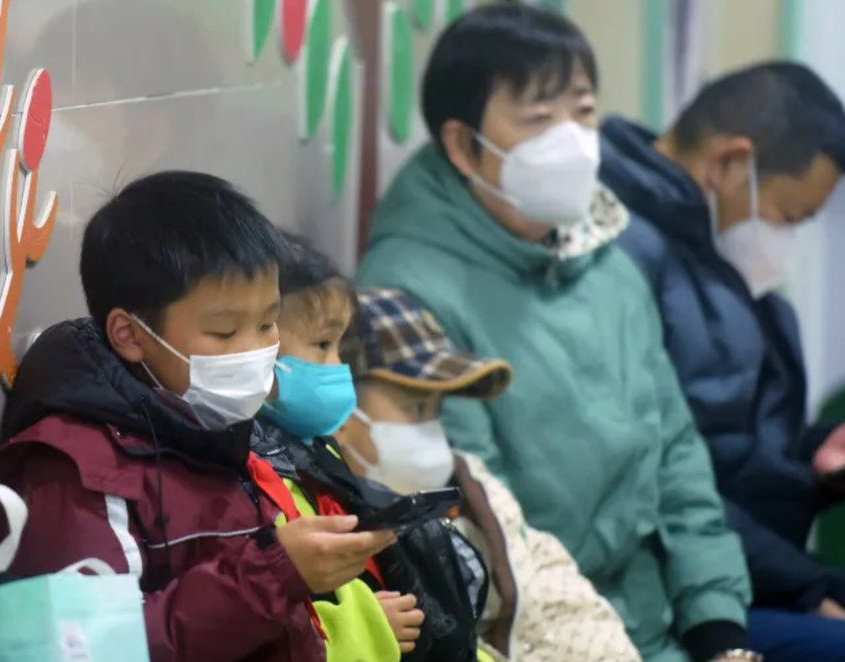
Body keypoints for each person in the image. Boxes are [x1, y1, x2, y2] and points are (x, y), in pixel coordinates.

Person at [357, 5, 755, 662]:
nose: (571, 140)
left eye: (584, 111)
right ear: (461, 145)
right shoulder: (407, 290)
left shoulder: (605, 257)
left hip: (660, 620)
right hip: (545, 635)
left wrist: (719, 629)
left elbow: (679, 456)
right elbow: (492, 521)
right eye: (539, 118)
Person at [0, 171, 395, 662]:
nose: (254, 352)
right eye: (224, 333)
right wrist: (276, 572)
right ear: (130, 335)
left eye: (268, 324)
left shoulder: (212, 426)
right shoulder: (76, 469)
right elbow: (95, 650)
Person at [600, 62, 845, 661]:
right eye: (789, 218)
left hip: (748, 572)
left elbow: (734, 449)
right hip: (679, 590)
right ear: (731, 163)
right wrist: (809, 584)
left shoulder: (718, 266)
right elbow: (667, 475)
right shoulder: (623, 256)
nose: (786, 242)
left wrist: (817, 458)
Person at [334, 285, 643, 662]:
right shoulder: (323, 520)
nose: (433, 432)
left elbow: (555, 594)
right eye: (415, 409)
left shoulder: (472, 487)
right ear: (338, 402)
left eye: (437, 411)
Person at [258, 234, 492, 662]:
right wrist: (362, 628)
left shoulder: (320, 464)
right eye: (322, 345)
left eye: (341, 348)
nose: (336, 369)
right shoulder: (256, 481)